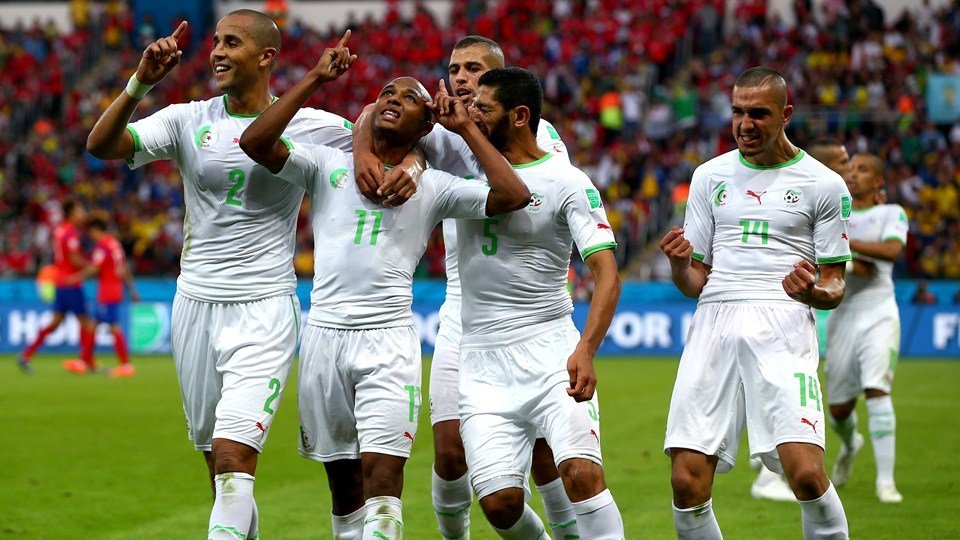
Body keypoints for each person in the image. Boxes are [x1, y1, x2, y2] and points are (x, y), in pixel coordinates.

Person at [238, 36, 530, 539]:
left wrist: (459, 131)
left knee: (383, 476)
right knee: (344, 485)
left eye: (410, 97)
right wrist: (315, 79)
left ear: (426, 126)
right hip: (324, 339)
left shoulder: (433, 184)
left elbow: (514, 194)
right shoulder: (326, 164)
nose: (394, 99)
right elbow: (255, 143)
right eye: (385, 95)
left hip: (389, 341)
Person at [85, 11, 356, 538]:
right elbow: (101, 146)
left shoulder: (311, 123)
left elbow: (387, 144)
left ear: (266, 57)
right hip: (195, 306)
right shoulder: (188, 119)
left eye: (232, 42)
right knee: (220, 470)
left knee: (236, 456)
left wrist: (411, 168)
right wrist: (141, 82)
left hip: (264, 306)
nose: (217, 52)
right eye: (215, 42)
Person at [354, 35, 576, 540]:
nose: (459, 76)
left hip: (531, 313)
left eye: (473, 68)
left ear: (501, 76)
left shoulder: (541, 135)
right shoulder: (438, 130)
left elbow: (532, 198)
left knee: (544, 457)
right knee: (450, 453)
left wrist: (425, 158)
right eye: (454, 68)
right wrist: (380, 154)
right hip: (463, 310)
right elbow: (374, 111)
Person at [659, 67, 851, 539]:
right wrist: (680, 265)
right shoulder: (709, 176)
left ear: (786, 114)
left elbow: (835, 284)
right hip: (714, 321)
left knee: (805, 474)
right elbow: (695, 282)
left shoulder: (823, 185)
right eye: (738, 112)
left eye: (759, 114)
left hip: (783, 321)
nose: (745, 124)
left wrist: (811, 292)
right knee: (686, 481)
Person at [451, 67, 623, 539]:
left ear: (520, 116)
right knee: (500, 505)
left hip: (549, 349)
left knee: (581, 477)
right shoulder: (461, 168)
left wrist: (586, 348)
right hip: (482, 360)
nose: (472, 116)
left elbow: (607, 274)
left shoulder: (565, 179)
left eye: (483, 109)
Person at [749, 137, 851, 503]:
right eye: (843, 161)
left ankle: (768, 459)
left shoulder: (833, 201)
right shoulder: (811, 193)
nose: (850, 168)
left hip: (820, 307)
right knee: (792, 390)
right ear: (824, 164)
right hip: (799, 311)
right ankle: (768, 471)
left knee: (785, 390)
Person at [826, 152, 908, 503]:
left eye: (862, 170)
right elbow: (818, 258)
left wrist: (845, 246)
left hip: (879, 312)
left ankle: (885, 482)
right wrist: (850, 261)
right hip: (842, 315)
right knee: (838, 410)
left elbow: (891, 251)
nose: (852, 174)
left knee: (877, 390)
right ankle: (849, 443)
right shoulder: (834, 214)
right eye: (850, 169)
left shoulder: (891, 213)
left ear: (878, 182)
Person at [19, 199, 97, 375]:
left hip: (60, 283)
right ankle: (86, 361)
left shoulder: (60, 231)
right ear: (71, 214)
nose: (82, 214)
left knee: (55, 323)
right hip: (71, 283)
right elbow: (74, 259)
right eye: (79, 211)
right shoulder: (70, 233)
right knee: (88, 323)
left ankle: (26, 354)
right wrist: (92, 265)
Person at [66, 212, 141, 377]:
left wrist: (75, 277)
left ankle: (126, 365)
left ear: (96, 229)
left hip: (107, 292)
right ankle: (84, 361)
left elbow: (94, 268)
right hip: (115, 289)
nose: (90, 236)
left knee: (112, 326)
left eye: (90, 232)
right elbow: (124, 269)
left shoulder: (103, 246)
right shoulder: (115, 244)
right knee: (93, 324)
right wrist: (132, 290)